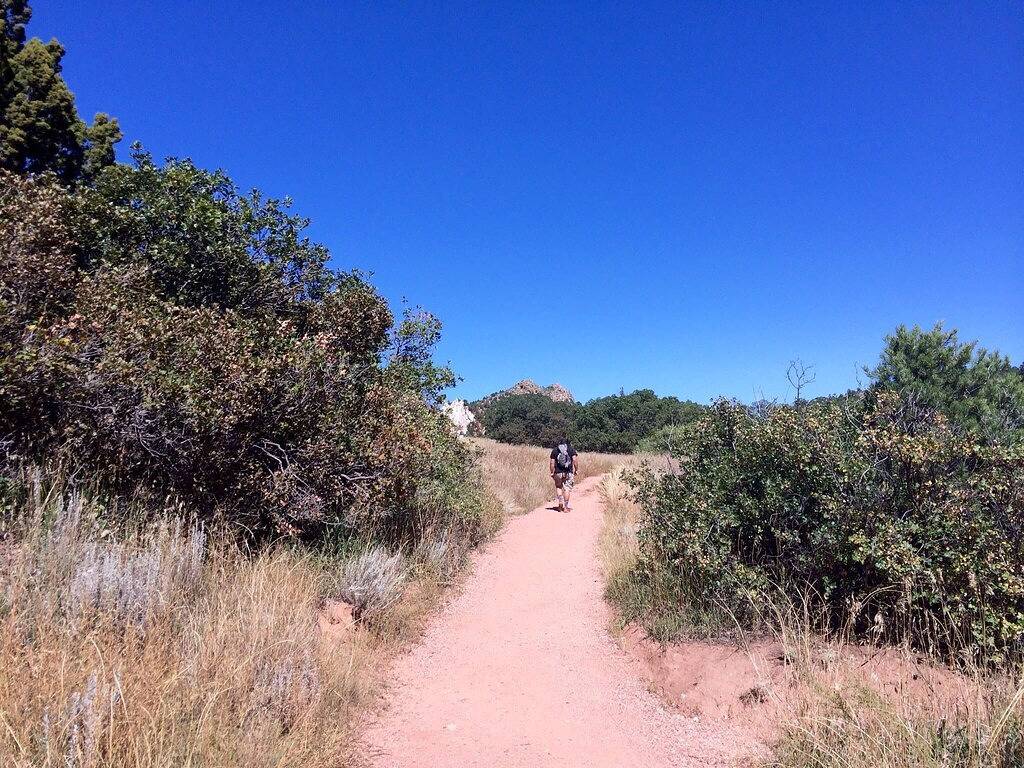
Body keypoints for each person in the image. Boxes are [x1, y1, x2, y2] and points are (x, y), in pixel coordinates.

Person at [549, 438, 579, 511]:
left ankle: (560, 503)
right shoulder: (571, 449)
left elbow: (552, 463)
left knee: (559, 487)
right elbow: (575, 460)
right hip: (568, 472)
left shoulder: (555, 450)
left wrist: (552, 472)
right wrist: (576, 470)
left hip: (558, 472)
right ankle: (565, 507)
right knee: (567, 489)